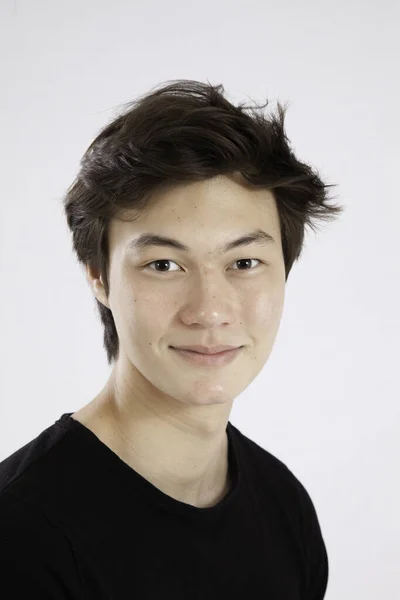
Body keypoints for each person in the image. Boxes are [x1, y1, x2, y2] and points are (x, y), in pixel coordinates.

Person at [0, 79, 343, 598]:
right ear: (99, 275)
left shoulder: (283, 505)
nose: (209, 310)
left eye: (244, 263)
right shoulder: (21, 535)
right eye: (164, 264)